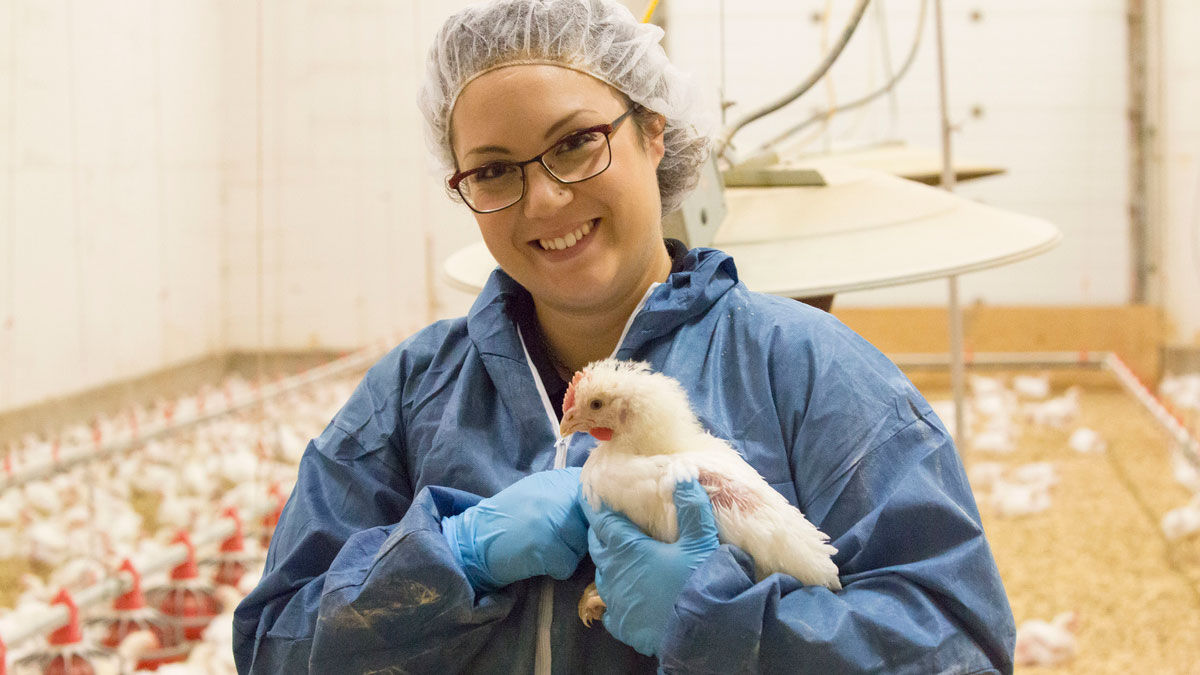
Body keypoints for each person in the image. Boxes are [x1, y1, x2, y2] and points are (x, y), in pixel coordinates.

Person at [232, 0, 1016, 672]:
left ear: (652, 133)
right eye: (495, 170)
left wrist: (725, 626)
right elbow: (273, 647)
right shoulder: (409, 399)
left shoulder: (813, 376)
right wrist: (452, 558)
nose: (544, 200)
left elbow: (961, 645)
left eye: (576, 142)